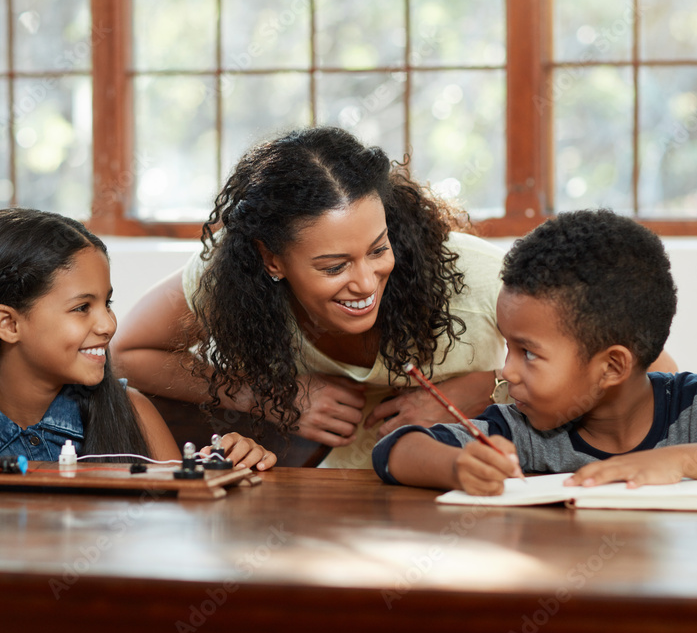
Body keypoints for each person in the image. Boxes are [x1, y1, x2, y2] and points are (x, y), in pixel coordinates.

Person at [112, 126, 511, 468]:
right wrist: (270, 395)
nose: (366, 283)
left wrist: (489, 389)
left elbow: (573, 362)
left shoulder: (478, 275)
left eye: (377, 250)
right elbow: (126, 353)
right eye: (334, 267)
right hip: (332, 496)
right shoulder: (231, 272)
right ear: (271, 259)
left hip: (472, 488)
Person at [372, 209, 697, 493]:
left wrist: (676, 461)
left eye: (528, 352)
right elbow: (395, 450)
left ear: (612, 365)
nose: (507, 372)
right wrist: (458, 466)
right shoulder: (518, 429)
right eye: (508, 348)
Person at [0, 208, 276, 471]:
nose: (109, 324)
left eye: (107, 302)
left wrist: (233, 466)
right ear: (8, 323)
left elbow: (178, 530)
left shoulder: (134, 414)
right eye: (83, 307)